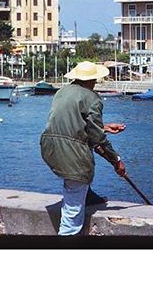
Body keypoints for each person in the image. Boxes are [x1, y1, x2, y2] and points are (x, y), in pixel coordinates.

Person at [40, 61, 127, 236]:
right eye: (95, 79)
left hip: (49, 146)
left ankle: (87, 195)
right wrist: (116, 160)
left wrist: (104, 127)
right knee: (73, 203)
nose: (96, 82)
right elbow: (97, 139)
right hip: (69, 150)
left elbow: (74, 122)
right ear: (91, 79)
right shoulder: (92, 98)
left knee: (78, 174)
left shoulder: (61, 92)